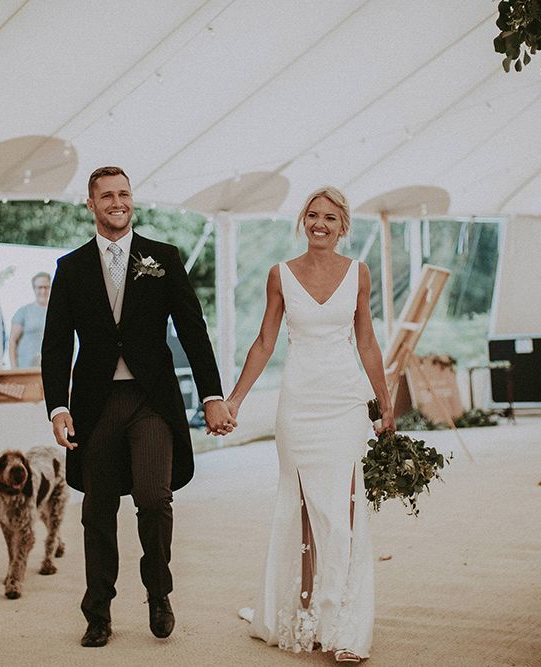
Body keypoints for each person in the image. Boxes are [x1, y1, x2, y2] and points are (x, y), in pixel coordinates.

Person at [41, 166, 237, 648]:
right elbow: (55, 345)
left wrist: (213, 396)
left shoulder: (163, 257)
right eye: (107, 195)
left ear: (133, 200)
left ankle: (158, 592)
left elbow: (193, 330)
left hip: (152, 401)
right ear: (91, 204)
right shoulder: (70, 268)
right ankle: (98, 611)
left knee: (154, 497)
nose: (117, 201)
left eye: (124, 193)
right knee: (98, 510)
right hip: (96, 404)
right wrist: (57, 407)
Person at [227, 187, 395, 663]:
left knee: (342, 513)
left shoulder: (358, 274)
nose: (320, 224)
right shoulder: (280, 275)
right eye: (313, 216)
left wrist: (384, 403)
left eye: (330, 217)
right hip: (298, 404)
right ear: (304, 221)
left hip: (344, 402)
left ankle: (345, 630)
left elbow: (367, 343)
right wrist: (236, 400)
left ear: (344, 226)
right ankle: (302, 620)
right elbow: (263, 342)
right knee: (301, 511)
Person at [9, 272, 51, 368]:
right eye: (40, 287)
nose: (43, 291)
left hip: (49, 368)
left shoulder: (56, 312)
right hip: (25, 368)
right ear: (34, 289)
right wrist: (14, 368)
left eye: (46, 287)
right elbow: (12, 341)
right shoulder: (24, 312)